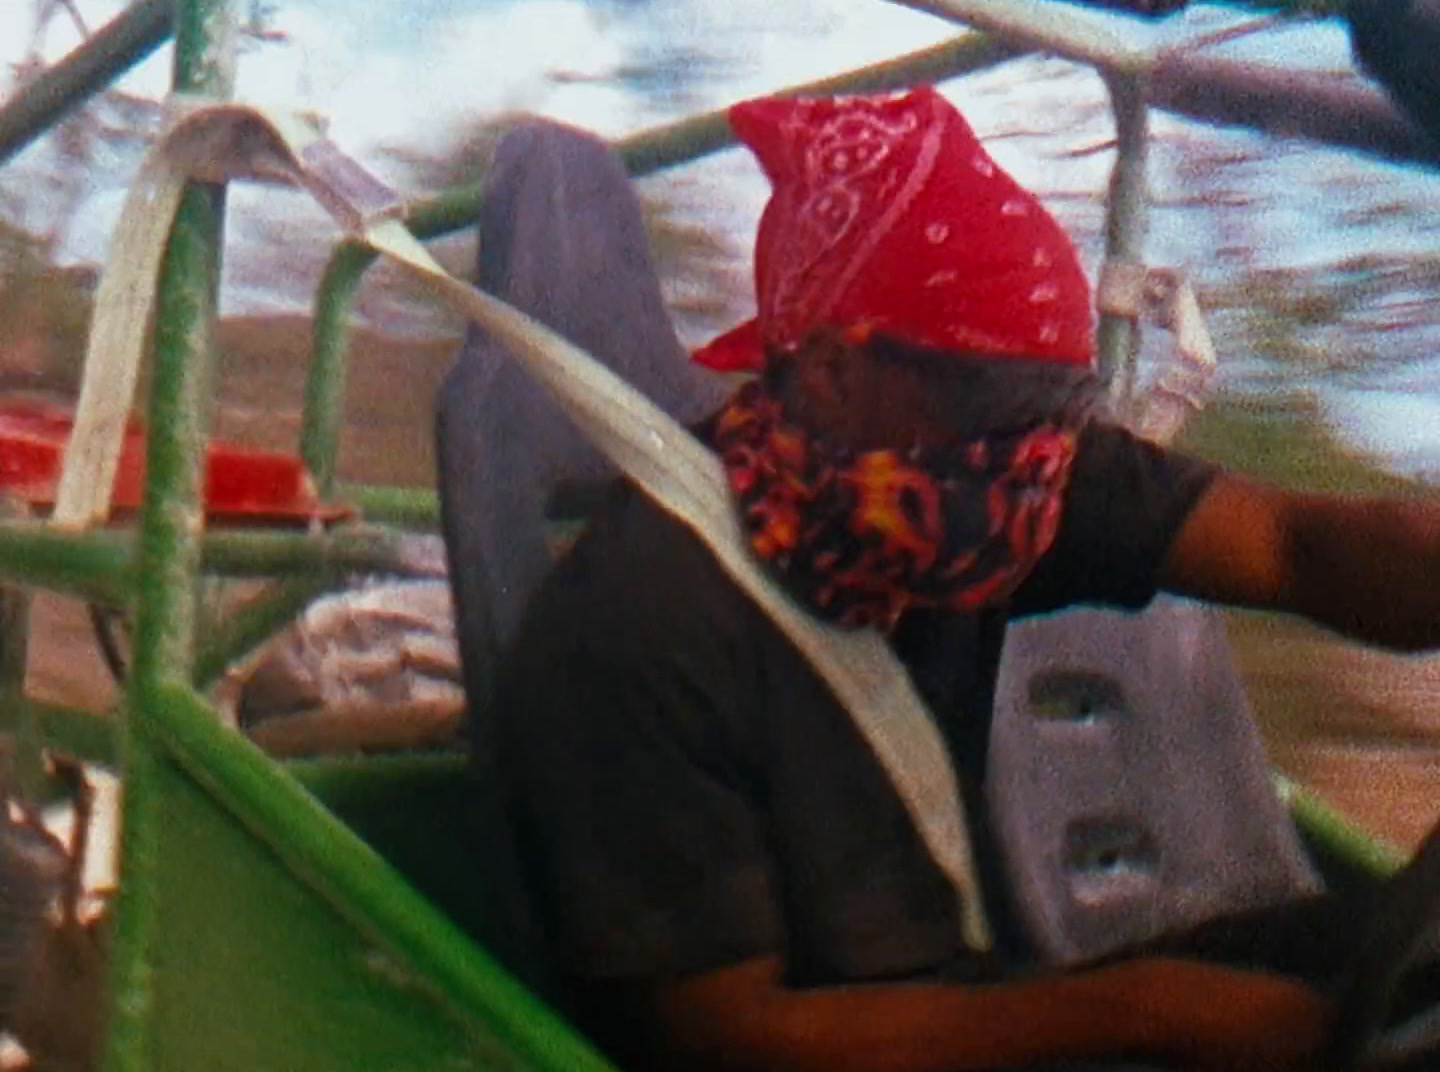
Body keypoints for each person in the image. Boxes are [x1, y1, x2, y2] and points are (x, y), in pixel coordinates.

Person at [479, 87, 1440, 1072]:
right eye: (994, 400)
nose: (1038, 451)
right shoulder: (640, 619)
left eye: (1061, 399)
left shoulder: (997, 466)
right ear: (832, 374)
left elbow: (1291, 544)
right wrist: (1148, 1011)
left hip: (984, 999)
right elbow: (728, 1035)